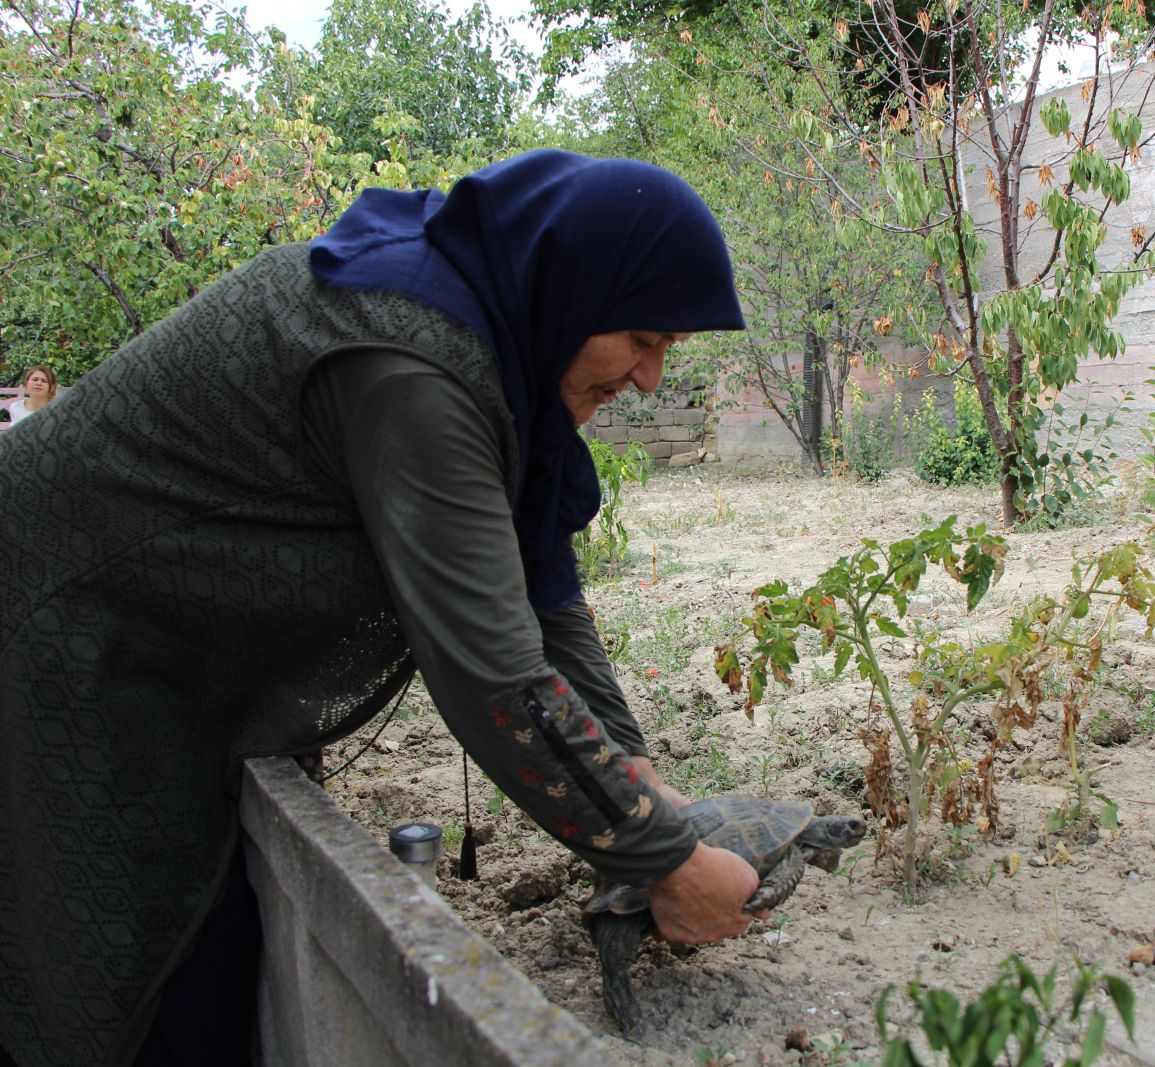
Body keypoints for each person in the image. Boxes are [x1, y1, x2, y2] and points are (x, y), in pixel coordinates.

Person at [0, 150, 758, 1067]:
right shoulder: (413, 368)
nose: (647, 377)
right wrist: (666, 859)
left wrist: (635, 774)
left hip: (164, 645)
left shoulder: (507, 355)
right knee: (130, 956)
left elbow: (547, 601)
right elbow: (495, 675)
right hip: (62, 626)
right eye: (640, 338)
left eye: (668, 350)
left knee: (208, 946)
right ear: (572, 288)